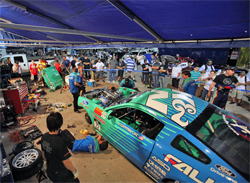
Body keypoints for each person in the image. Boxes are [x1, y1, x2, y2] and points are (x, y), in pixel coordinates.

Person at [41, 112, 79, 182]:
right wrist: (74, 171)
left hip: (50, 171)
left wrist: (45, 162)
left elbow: (43, 153)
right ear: (59, 124)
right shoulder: (59, 142)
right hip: (60, 174)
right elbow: (66, 162)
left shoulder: (44, 137)